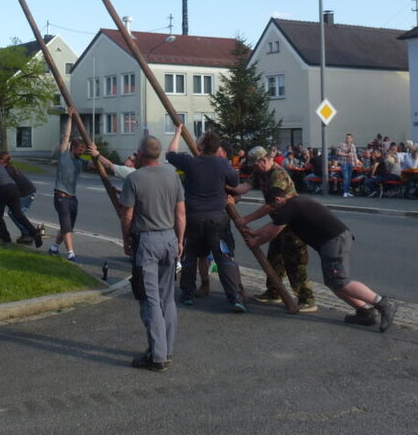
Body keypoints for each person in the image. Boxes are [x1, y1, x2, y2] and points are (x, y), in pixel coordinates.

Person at [239, 188, 397, 331]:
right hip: (332, 241)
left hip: (334, 241)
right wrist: (255, 233)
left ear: (278, 200)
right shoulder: (294, 203)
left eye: (274, 207)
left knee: (341, 281)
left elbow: (272, 232)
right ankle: (365, 312)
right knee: (333, 283)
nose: (275, 211)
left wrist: (255, 242)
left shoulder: (290, 207)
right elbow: (274, 225)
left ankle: (383, 303)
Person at [119, 136, 185, 371]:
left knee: (150, 298)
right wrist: (180, 240)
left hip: (147, 240)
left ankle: (157, 356)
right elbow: (180, 213)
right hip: (169, 238)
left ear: (140, 153)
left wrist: (126, 239)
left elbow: (127, 215)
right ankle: (167, 349)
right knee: (168, 297)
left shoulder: (134, 178)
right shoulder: (172, 176)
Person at [165, 125, 245, 312]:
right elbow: (234, 182)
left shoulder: (191, 162)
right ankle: (234, 297)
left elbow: (170, 154)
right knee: (223, 256)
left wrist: (177, 133)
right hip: (218, 218)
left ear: (201, 146)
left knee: (191, 256)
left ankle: (187, 294)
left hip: (194, 218)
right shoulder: (222, 164)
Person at [231, 146, 317, 312]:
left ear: (263, 160)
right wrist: (230, 189)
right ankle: (273, 292)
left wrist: (246, 219)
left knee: (295, 261)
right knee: (274, 258)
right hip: (279, 222)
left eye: (256, 164)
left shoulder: (278, 175)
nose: (255, 168)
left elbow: (271, 206)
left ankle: (307, 299)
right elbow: (245, 186)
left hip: (293, 223)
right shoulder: (260, 171)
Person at [50, 111, 87, 261]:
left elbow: (96, 164)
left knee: (68, 226)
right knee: (66, 225)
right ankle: (71, 253)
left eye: (83, 150)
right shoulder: (64, 154)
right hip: (61, 196)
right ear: (73, 148)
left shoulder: (81, 162)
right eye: (80, 149)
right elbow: (66, 136)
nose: (82, 152)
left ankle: (53, 247)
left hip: (73, 198)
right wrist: (70, 118)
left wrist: (96, 153)